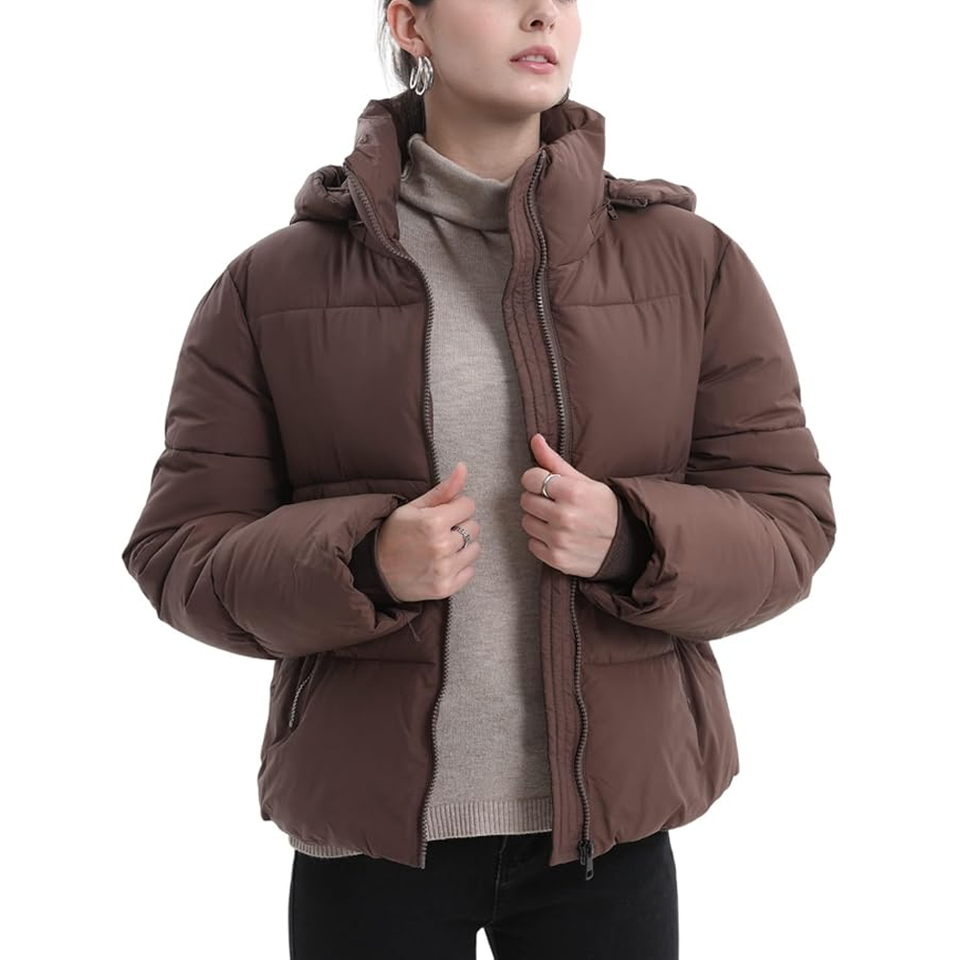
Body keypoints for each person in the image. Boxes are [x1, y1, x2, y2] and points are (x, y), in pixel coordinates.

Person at [120, 1, 837, 957]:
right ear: (409, 25)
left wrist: (633, 538)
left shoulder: (690, 263)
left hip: (607, 840)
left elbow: (789, 523)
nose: (542, 13)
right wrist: (363, 564)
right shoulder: (272, 286)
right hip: (370, 841)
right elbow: (179, 553)